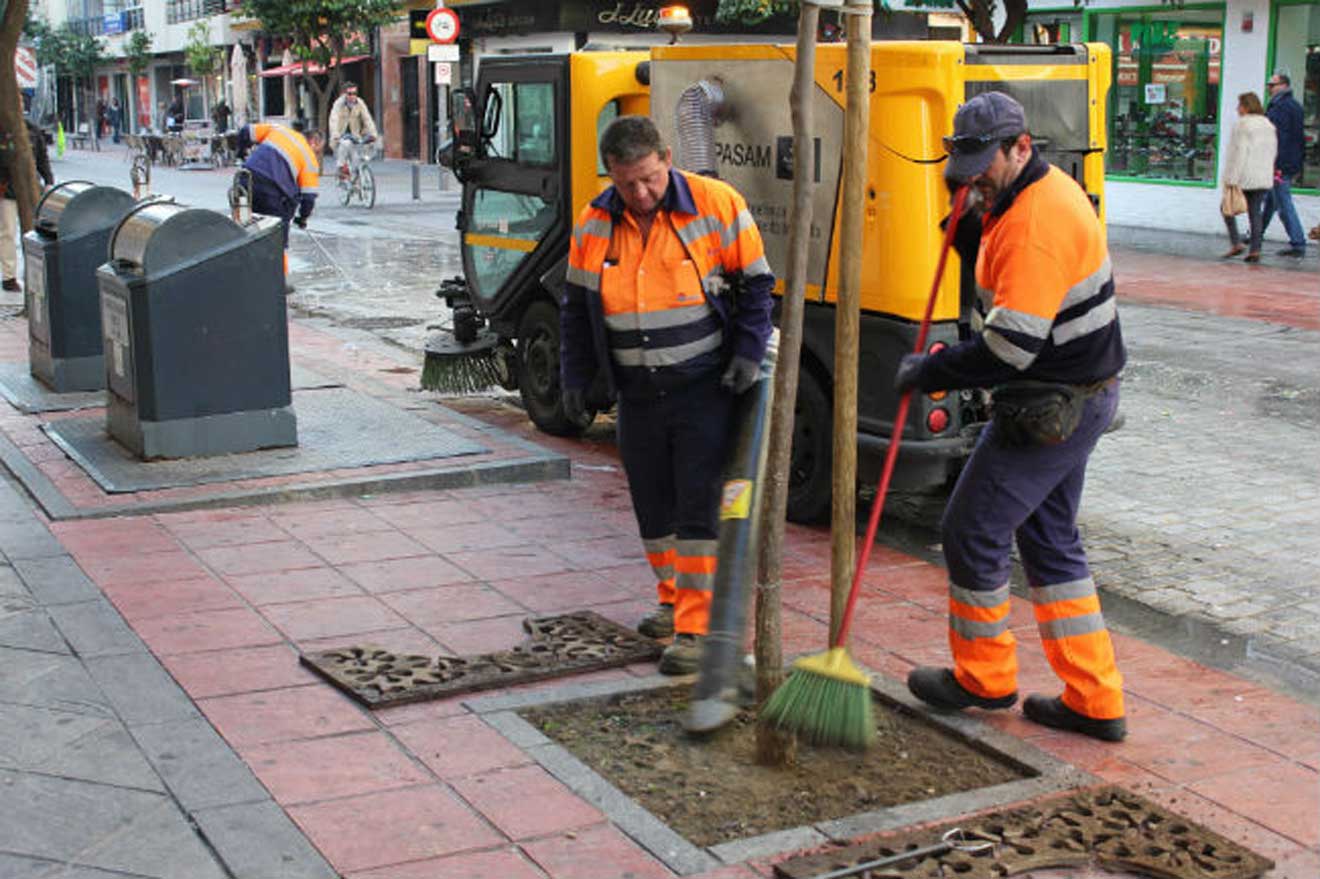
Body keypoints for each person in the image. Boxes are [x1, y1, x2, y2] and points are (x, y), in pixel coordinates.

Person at [895, 92, 1128, 742]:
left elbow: (1008, 347)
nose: (975, 180)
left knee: (971, 529)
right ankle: (1095, 699)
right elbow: (1000, 274)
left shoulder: (1035, 221)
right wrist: (969, 225)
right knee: (1050, 539)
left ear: (1021, 146)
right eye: (963, 168)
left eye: (984, 167)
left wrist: (931, 371)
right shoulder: (1029, 193)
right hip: (1078, 391)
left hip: (1052, 402)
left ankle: (983, 678)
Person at [560, 115, 774, 675]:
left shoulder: (716, 204)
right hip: (637, 394)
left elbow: (757, 286)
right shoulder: (594, 222)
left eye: (649, 179)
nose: (640, 193)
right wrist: (575, 380)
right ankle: (674, 599)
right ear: (610, 174)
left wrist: (747, 353)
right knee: (653, 509)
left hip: (702, 388)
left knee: (698, 507)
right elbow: (576, 311)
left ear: (667, 159)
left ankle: (697, 631)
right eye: (626, 183)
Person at [236, 122, 323, 291]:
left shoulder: (279, 130)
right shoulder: (308, 157)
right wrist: (302, 218)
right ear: (314, 142)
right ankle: (278, 282)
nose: (317, 153)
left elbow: (245, 131)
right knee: (277, 235)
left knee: (245, 227)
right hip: (271, 192)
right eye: (318, 150)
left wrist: (241, 153)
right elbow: (309, 197)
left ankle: (244, 274)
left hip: (245, 180)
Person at [1220, 92, 1277, 263]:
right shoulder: (1268, 124)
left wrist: (1231, 178)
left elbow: (1239, 153)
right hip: (1262, 175)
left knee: (1226, 208)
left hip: (1244, 175)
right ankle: (1255, 249)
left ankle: (1236, 242)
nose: (1237, 109)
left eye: (1239, 105)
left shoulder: (1242, 125)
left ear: (1245, 106)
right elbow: (1273, 152)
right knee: (1255, 213)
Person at [1, 119, 56, 292]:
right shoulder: (3, 131)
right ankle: (9, 276)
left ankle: (32, 272)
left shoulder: (32, 130)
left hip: (30, 190)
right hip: (6, 190)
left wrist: (48, 180)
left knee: (33, 232)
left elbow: (42, 158)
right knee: (7, 232)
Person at [1261, 72, 1307, 257]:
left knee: (1283, 203)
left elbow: (1279, 137)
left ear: (1284, 86)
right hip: (1289, 160)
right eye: (1269, 85)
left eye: (1272, 85)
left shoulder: (1280, 107)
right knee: (1271, 201)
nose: (1269, 88)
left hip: (1280, 163)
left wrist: (1276, 162)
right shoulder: (1294, 106)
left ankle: (1298, 243)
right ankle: (1256, 233)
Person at [328, 84, 378, 180]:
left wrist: (373, 134)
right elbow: (333, 119)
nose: (353, 96)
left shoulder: (360, 103)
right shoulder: (338, 104)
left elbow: (367, 119)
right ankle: (341, 168)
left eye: (355, 93)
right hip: (341, 137)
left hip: (355, 137)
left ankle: (358, 179)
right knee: (346, 143)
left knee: (357, 160)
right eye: (350, 94)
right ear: (344, 94)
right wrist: (335, 134)